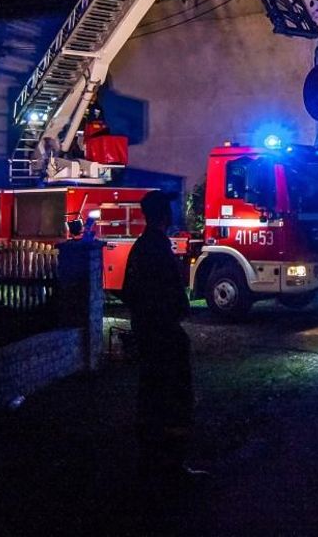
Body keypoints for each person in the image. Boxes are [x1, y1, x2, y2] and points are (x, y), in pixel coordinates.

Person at [120, 190, 203, 496]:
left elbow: (128, 291)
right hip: (163, 335)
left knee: (153, 396)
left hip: (151, 333)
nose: (172, 214)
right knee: (172, 398)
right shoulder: (155, 247)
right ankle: (170, 466)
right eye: (169, 209)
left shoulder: (143, 247)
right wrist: (169, 314)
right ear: (163, 215)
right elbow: (165, 292)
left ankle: (153, 463)